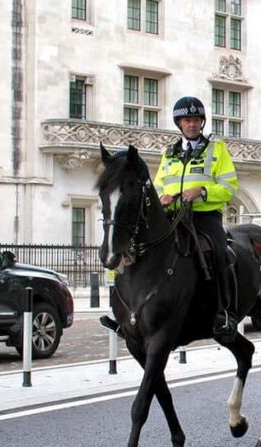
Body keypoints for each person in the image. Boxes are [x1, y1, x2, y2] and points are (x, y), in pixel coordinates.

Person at [101, 96, 240, 340]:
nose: (192, 124)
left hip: (204, 216)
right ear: (179, 123)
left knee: (221, 252)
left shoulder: (217, 150)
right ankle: (123, 312)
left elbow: (229, 187)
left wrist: (202, 191)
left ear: (202, 122)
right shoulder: (170, 153)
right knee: (132, 248)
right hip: (172, 216)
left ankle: (225, 313)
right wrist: (164, 197)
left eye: (196, 120)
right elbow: (160, 185)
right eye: (187, 120)